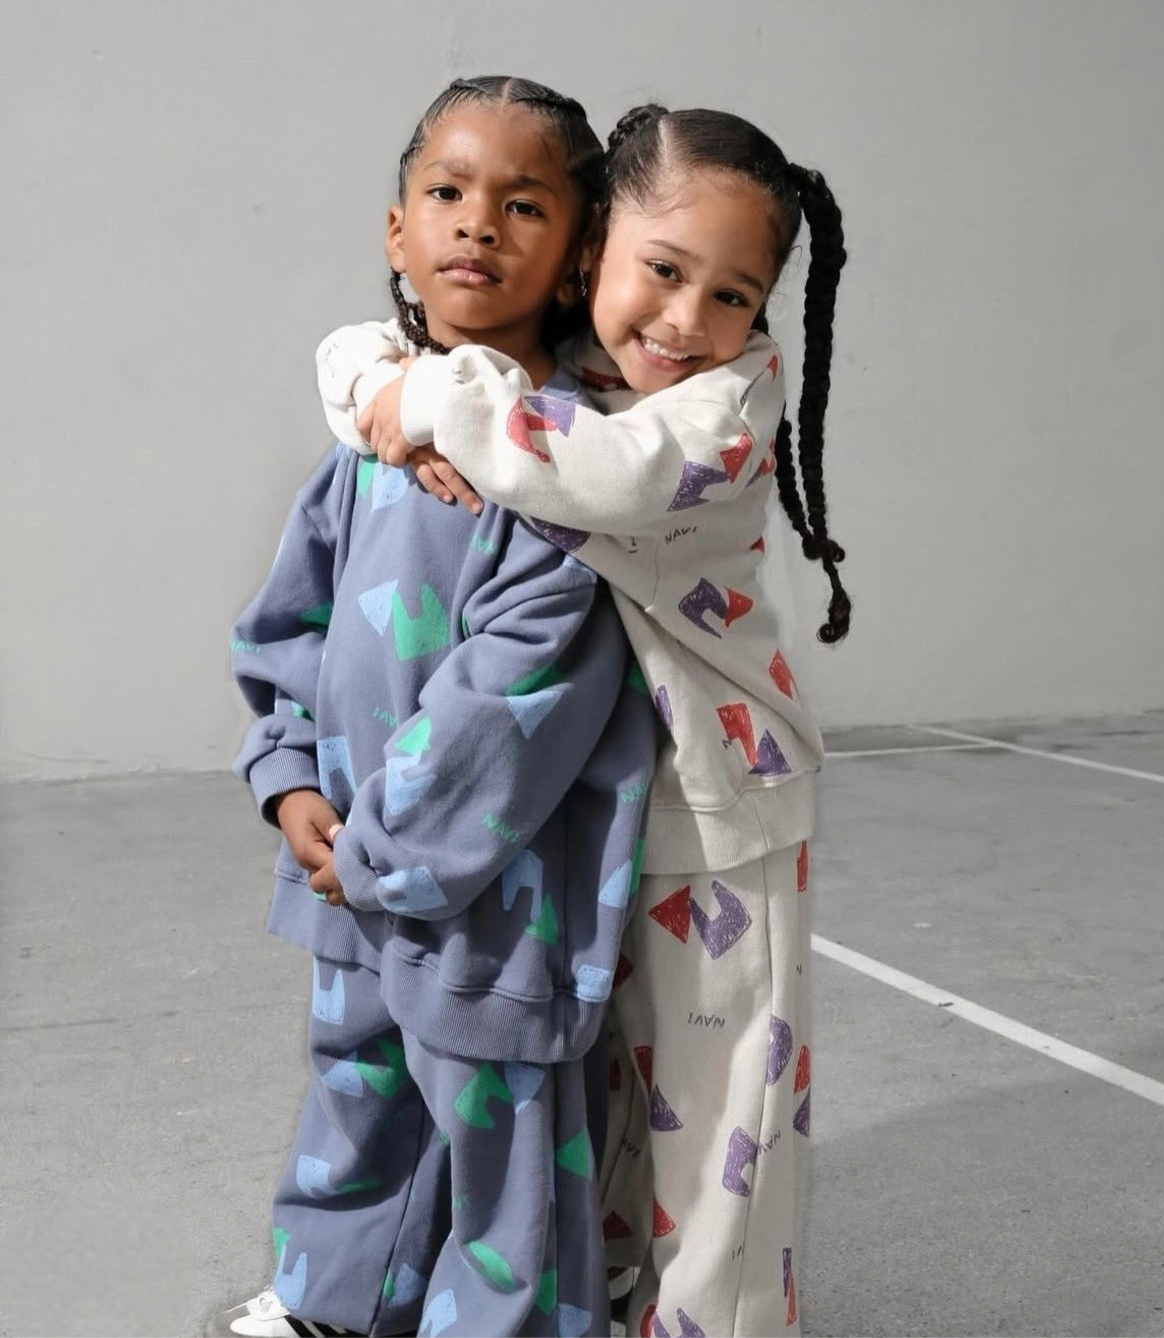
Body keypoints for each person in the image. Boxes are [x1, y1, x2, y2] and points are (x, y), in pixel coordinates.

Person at [313, 104, 851, 1338]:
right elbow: (349, 350)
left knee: (721, 1125)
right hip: (593, 812)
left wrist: (433, 395)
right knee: (605, 1092)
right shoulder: (568, 365)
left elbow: (594, 471)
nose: (687, 319)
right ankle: (607, 1298)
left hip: (721, 812)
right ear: (596, 248)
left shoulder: (722, 410)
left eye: (732, 294)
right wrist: (388, 381)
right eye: (663, 269)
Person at [212, 76, 657, 1338]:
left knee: (499, 1133)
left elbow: (514, 703)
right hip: (348, 867)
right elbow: (289, 626)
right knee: (357, 1092)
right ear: (397, 231)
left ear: (578, 258)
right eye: (448, 192)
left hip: (494, 902)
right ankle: (333, 1304)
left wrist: (379, 848)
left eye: (525, 205)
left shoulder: (559, 468)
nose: (478, 223)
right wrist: (287, 778)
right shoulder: (366, 447)